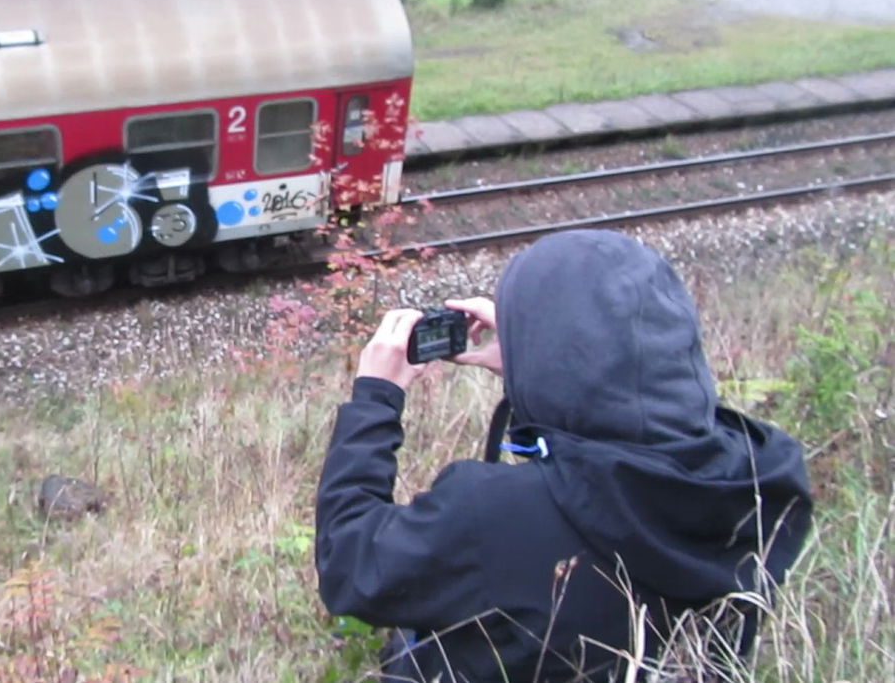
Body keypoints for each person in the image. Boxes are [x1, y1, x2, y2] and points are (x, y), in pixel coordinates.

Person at [314, 229, 813, 682]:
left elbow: (351, 564)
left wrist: (376, 399)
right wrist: (537, 369)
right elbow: (652, 407)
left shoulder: (499, 513)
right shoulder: (765, 475)